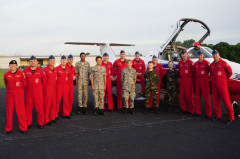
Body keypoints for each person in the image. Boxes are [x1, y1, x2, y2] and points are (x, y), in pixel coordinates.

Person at [210, 50, 235, 124]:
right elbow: (211, 73)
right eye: (213, 55)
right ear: (212, 56)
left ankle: (231, 117)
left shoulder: (223, 63)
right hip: (214, 85)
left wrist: (224, 79)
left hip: (222, 85)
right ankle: (218, 115)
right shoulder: (211, 65)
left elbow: (229, 72)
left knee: (226, 101)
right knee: (215, 101)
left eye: (216, 54)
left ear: (218, 55)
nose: (215, 56)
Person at [4, 60, 27, 134]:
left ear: (17, 66)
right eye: (11, 65)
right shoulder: (6, 74)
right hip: (10, 94)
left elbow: (24, 84)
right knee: (9, 112)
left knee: (21, 112)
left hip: (19, 94)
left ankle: (23, 128)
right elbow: (6, 84)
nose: (12, 67)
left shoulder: (21, 74)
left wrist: (19, 90)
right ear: (9, 66)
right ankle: (8, 128)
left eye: (14, 65)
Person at [23, 56, 46, 129]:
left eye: (34, 61)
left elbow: (44, 81)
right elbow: (23, 81)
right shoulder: (25, 71)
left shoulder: (41, 71)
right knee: (28, 108)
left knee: (39, 108)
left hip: (38, 92)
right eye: (31, 61)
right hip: (28, 92)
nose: (33, 62)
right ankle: (28, 122)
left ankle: (41, 123)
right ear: (29, 62)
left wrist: (39, 88)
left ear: (37, 62)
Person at [194, 50, 212, 118]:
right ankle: (197, 112)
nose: (200, 56)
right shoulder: (196, 63)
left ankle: (208, 113)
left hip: (204, 80)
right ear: (197, 55)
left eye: (201, 55)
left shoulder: (206, 63)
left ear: (203, 55)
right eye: (199, 55)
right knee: (197, 97)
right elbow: (194, 72)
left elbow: (210, 71)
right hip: (198, 80)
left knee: (206, 97)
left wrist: (208, 78)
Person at [178, 50, 195, 114]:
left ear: (187, 55)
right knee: (182, 95)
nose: (184, 55)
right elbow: (179, 70)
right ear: (181, 55)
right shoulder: (180, 63)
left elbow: (193, 72)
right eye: (182, 54)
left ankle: (191, 110)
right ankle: (184, 109)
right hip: (182, 80)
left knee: (189, 95)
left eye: (185, 54)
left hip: (188, 80)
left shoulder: (190, 62)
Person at [43, 55, 57, 125]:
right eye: (50, 60)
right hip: (47, 89)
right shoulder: (45, 70)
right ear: (48, 61)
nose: (52, 62)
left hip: (54, 89)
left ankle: (52, 117)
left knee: (53, 104)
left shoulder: (55, 70)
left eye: (53, 60)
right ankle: (46, 119)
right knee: (47, 105)